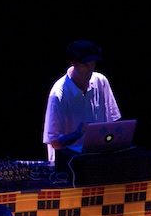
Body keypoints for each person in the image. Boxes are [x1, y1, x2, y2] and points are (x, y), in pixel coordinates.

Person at [42, 39, 121, 171]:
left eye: (93, 64)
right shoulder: (58, 94)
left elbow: (113, 122)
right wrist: (77, 134)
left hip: (97, 159)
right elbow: (55, 142)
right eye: (86, 65)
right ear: (73, 63)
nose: (90, 69)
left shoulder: (101, 81)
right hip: (69, 166)